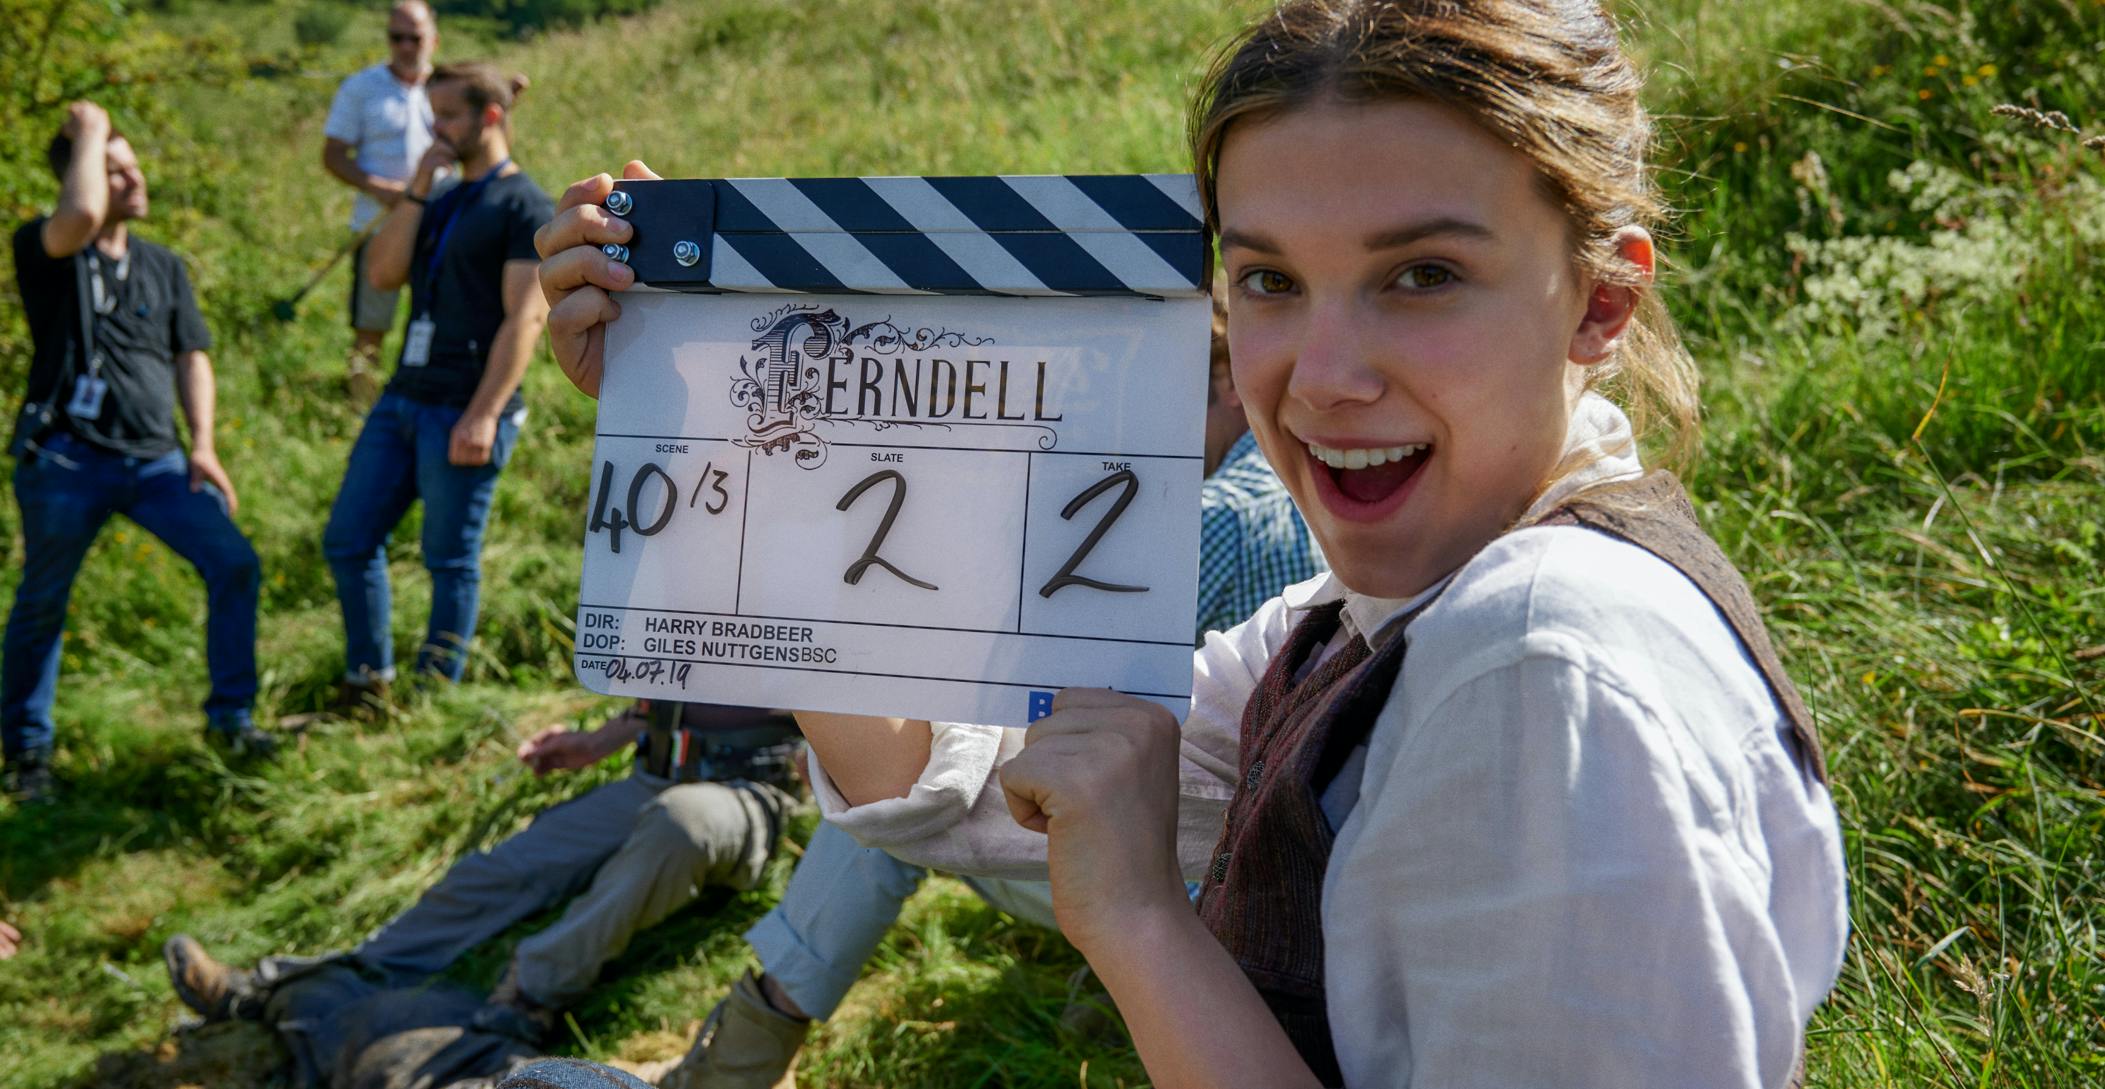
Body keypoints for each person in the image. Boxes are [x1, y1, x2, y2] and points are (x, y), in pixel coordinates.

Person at [532, 1, 1850, 1085]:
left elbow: (1048, 832)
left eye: (1421, 275)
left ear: (1602, 298)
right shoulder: (1362, 623)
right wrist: (720, 413)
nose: (1322, 376)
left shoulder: (1541, 663)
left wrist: (1140, 926)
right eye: (1270, 279)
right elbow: (982, 788)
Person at [652, 293, 1327, 1089]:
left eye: (1149, 398)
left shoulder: (1205, 518)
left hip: (1204, 887)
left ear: (1226, 384)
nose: (1126, 427)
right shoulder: (1303, 511)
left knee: (892, 820)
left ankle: (742, 1048)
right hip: (1222, 861)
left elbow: (993, 719)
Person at [162, 700, 803, 1065]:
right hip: (653, 774)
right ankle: (284, 986)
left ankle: (530, 995)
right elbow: (657, 698)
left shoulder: (830, 558)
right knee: (494, 873)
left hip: (753, 796)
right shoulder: (702, 538)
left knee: (680, 826)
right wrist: (593, 743)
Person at [4, 102, 270, 804]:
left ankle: (231, 722)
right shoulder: (45, 246)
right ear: (83, 177)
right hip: (66, 458)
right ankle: (27, 754)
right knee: (44, 602)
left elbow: (193, 355)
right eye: (114, 170)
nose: (133, 179)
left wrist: (204, 446)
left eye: (132, 164)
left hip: (157, 462)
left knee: (234, 563)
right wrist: (87, 127)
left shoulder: (162, 264)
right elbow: (82, 216)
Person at [322, 61, 551, 705]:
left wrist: (483, 414)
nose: (437, 129)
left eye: (449, 116)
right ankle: (369, 682)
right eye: (432, 116)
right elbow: (383, 277)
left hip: (465, 407)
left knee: (448, 559)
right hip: (403, 398)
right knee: (348, 539)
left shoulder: (522, 204)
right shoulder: (443, 196)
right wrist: (419, 185)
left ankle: (433, 696)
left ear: (492, 116)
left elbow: (525, 318)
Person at [322, 0, 439, 402]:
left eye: (415, 37)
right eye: (397, 37)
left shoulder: (447, 89)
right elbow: (333, 154)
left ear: (433, 39)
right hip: (379, 222)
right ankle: (361, 403)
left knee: (438, 319)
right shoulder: (361, 88)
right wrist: (378, 189)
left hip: (439, 224)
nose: (406, 46)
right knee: (372, 322)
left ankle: (424, 396)